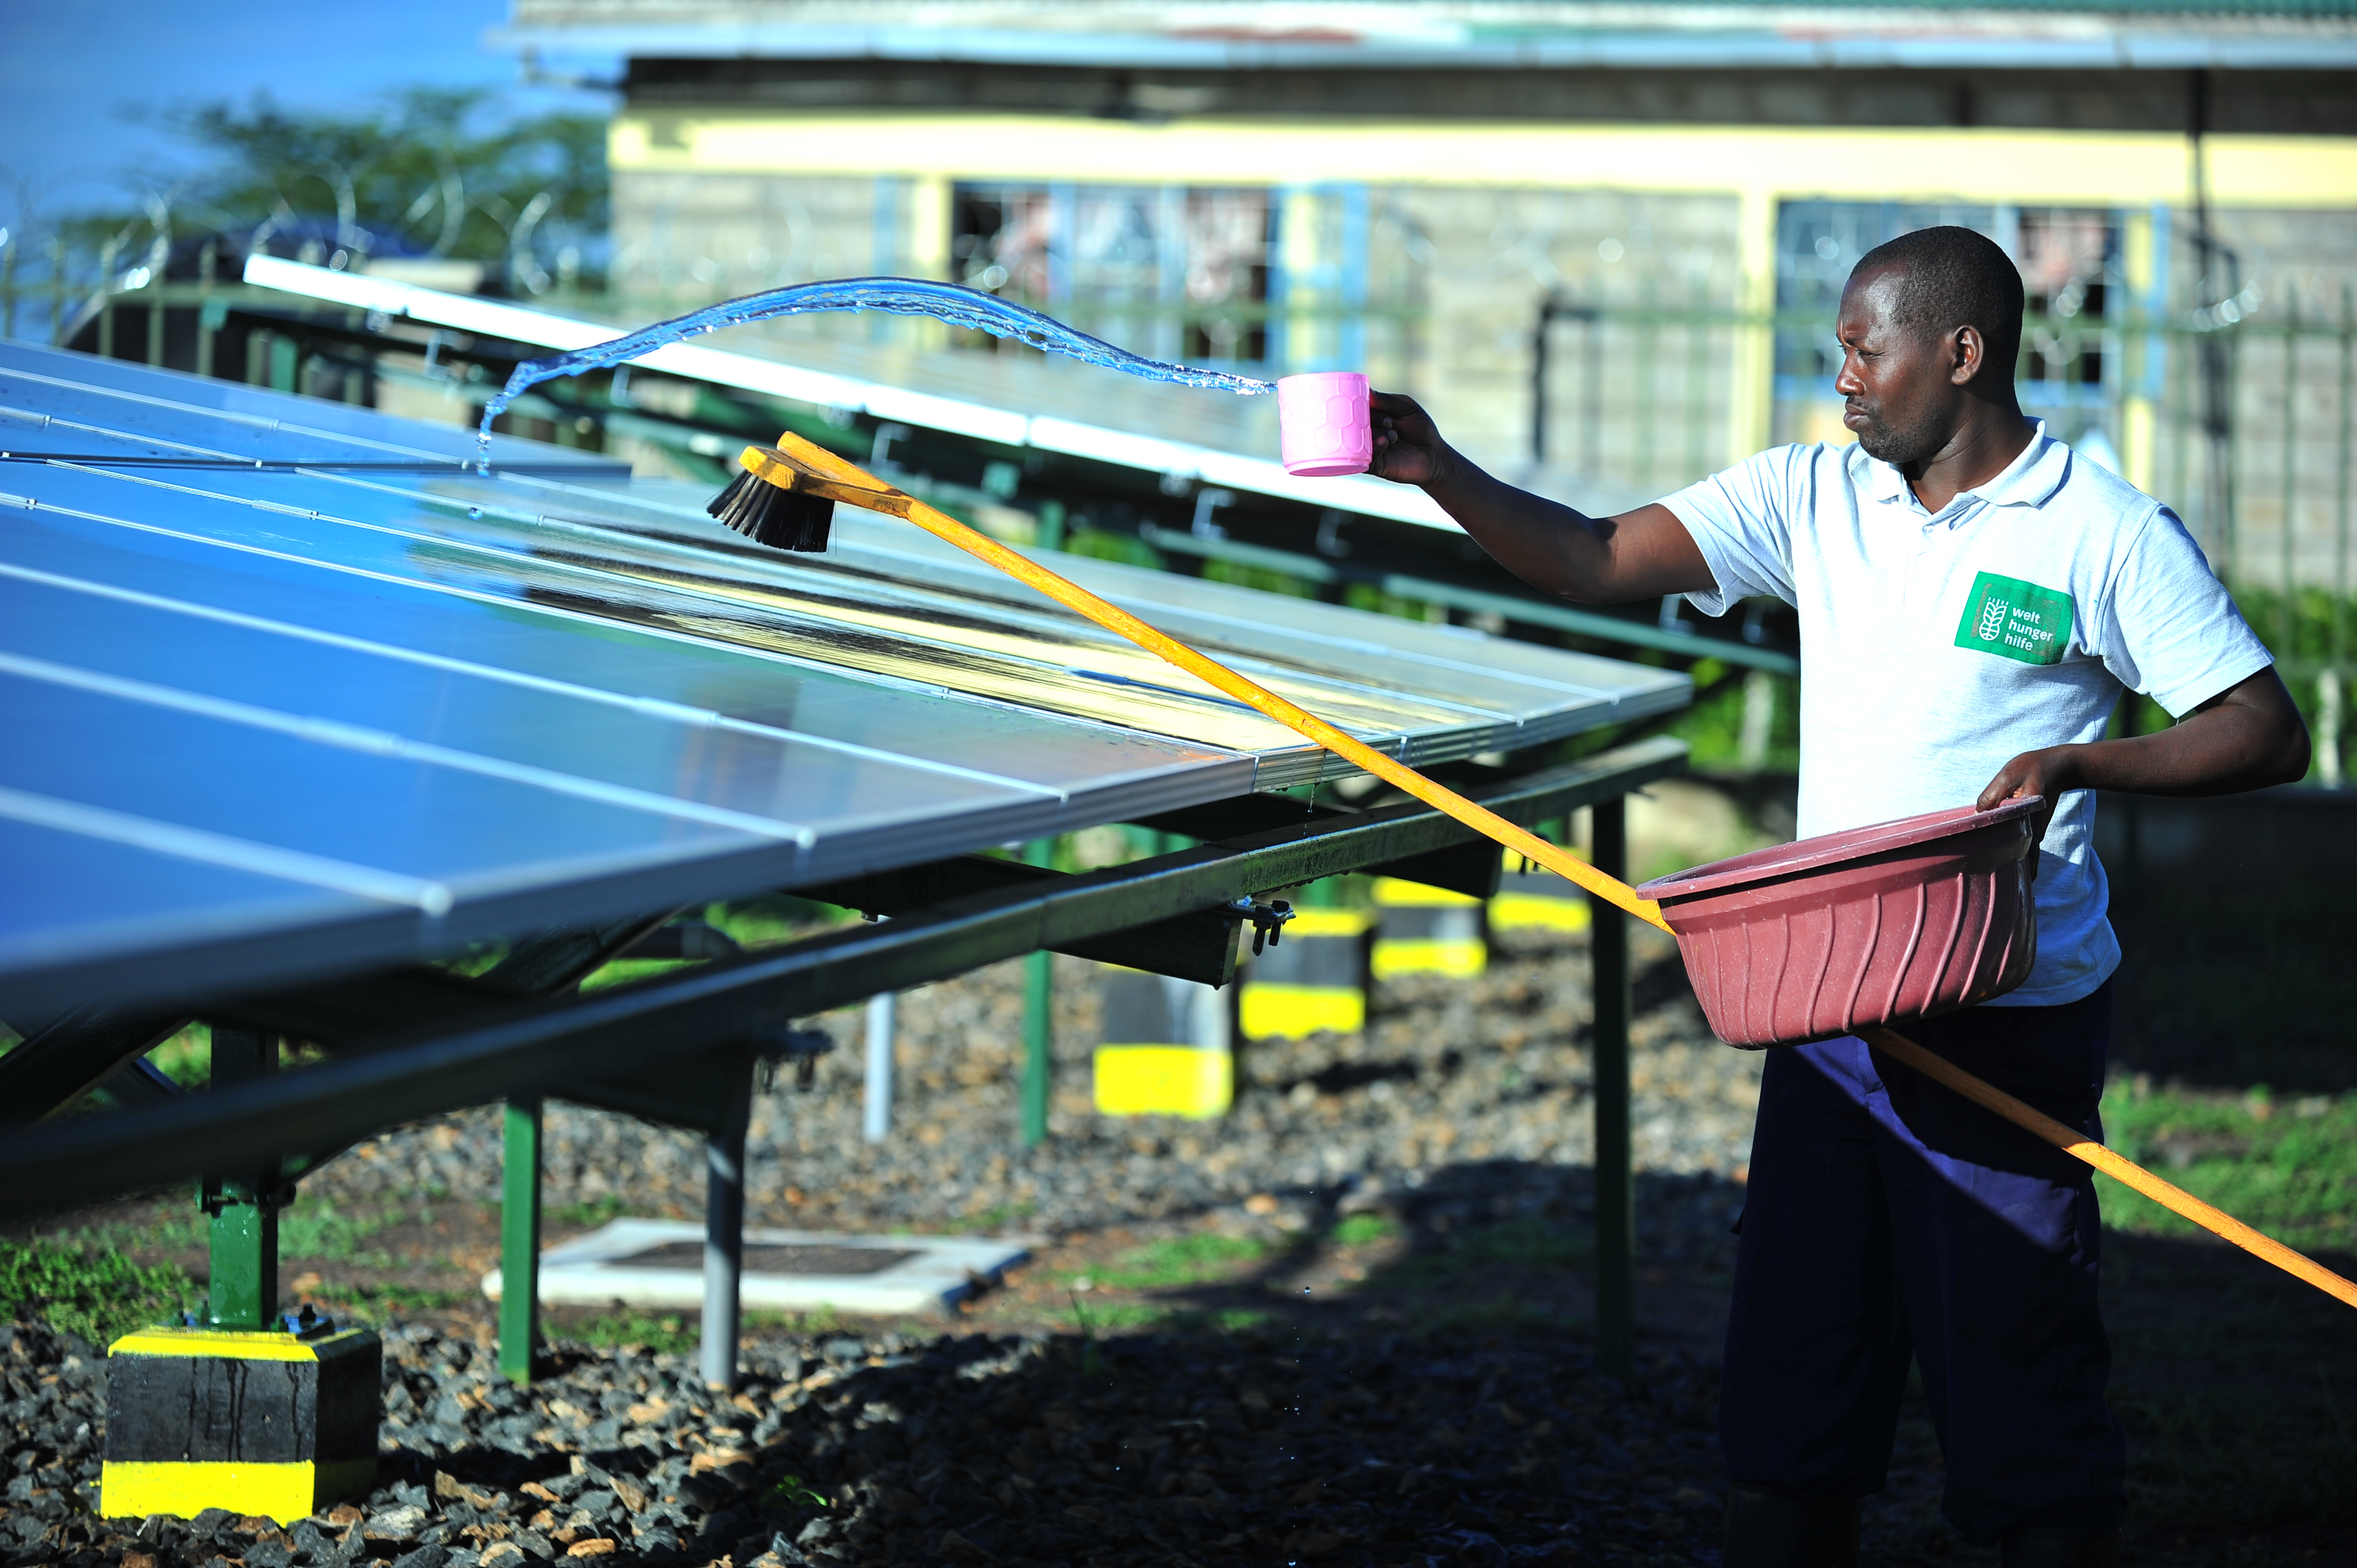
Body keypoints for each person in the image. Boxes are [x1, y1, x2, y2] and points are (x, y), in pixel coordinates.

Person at [1365, 225, 2309, 1568]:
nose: (1844, 381)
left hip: (2003, 1022)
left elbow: (2264, 730)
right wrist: (1436, 468)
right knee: (1789, 1414)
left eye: (1866, 352)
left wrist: (2075, 761)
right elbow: (1593, 558)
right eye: (1838, 356)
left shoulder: (2101, 531)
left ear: (1961, 353)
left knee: (2020, 1410)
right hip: (1828, 1024)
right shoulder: (1811, 498)